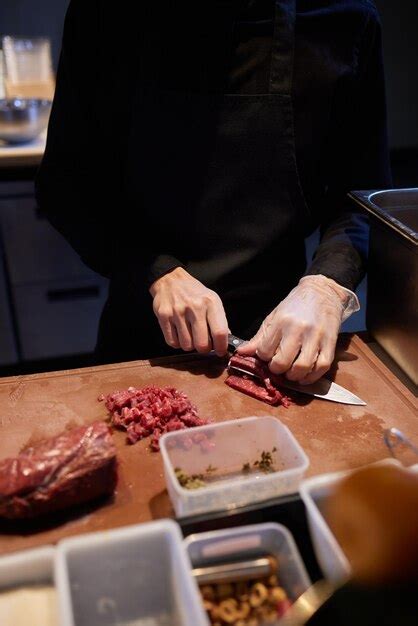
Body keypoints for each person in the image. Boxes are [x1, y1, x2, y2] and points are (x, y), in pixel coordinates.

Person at [36, 0, 391, 381]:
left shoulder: (346, 19)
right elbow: (68, 185)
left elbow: (362, 196)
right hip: (140, 333)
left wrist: (326, 287)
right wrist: (158, 272)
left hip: (282, 335)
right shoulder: (104, 15)